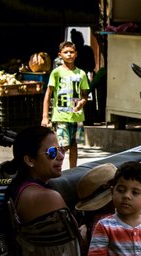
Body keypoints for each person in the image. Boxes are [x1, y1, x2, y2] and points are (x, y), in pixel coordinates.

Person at [2, 126, 68, 223]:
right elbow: (74, 238)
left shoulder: (18, 187)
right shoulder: (47, 197)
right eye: (52, 152)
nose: (61, 156)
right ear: (30, 160)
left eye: (61, 149)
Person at [41, 40, 90, 169]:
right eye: (66, 52)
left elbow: (85, 95)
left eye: (71, 52)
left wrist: (81, 103)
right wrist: (45, 116)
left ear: (76, 54)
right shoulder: (56, 73)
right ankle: (55, 168)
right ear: (60, 55)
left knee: (74, 145)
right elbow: (48, 94)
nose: (69, 54)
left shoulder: (81, 73)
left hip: (77, 117)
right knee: (63, 146)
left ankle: (73, 170)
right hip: (60, 116)